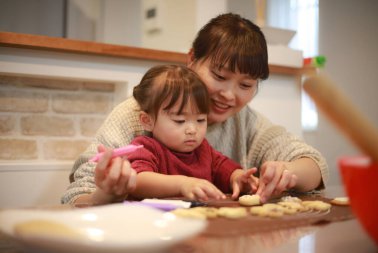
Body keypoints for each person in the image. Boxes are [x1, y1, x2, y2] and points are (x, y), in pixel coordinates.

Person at [61, 13, 328, 206]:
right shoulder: (140, 115)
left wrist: (287, 173)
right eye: (219, 77)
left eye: (246, 85)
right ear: (192, 59)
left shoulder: (244, 121)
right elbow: (78, 195)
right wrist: (106, 195)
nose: (228, 95)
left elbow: (311, 162)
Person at [127, 64, 257, 201]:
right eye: (180, 121)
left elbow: (223, 167)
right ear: (147, 121)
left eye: (200, 120)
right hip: (158, 219)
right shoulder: (146, 148)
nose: (192, 130)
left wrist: (237, 177)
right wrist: (182, 184)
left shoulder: (203, 150)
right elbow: (137, 180)